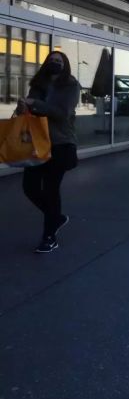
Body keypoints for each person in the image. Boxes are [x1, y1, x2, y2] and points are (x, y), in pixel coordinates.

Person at [17, 51, 81, 253]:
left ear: (65, 65)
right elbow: (28, 112)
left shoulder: (71, 86)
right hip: (36, 143)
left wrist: (35, 104)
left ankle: (49, 237)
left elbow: (62, 114)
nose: (55, 63)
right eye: (52, 60)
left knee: (51, 190)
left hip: (60, 144)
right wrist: (23, 108)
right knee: (30, 188)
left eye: (59, 61)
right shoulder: (38, 85)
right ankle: (57, 218)